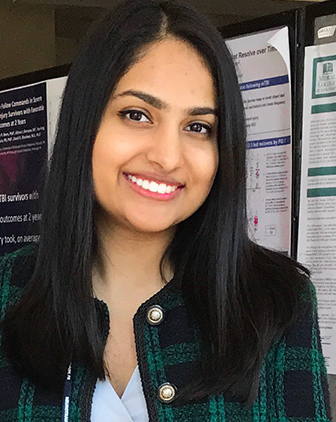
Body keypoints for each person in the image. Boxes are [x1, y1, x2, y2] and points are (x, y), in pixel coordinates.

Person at [0, 0, 331, 421]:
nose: (168, 157)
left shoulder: (277, 303)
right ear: (85, 125)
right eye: (137, 114)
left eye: (198, 127)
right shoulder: (9, 292)